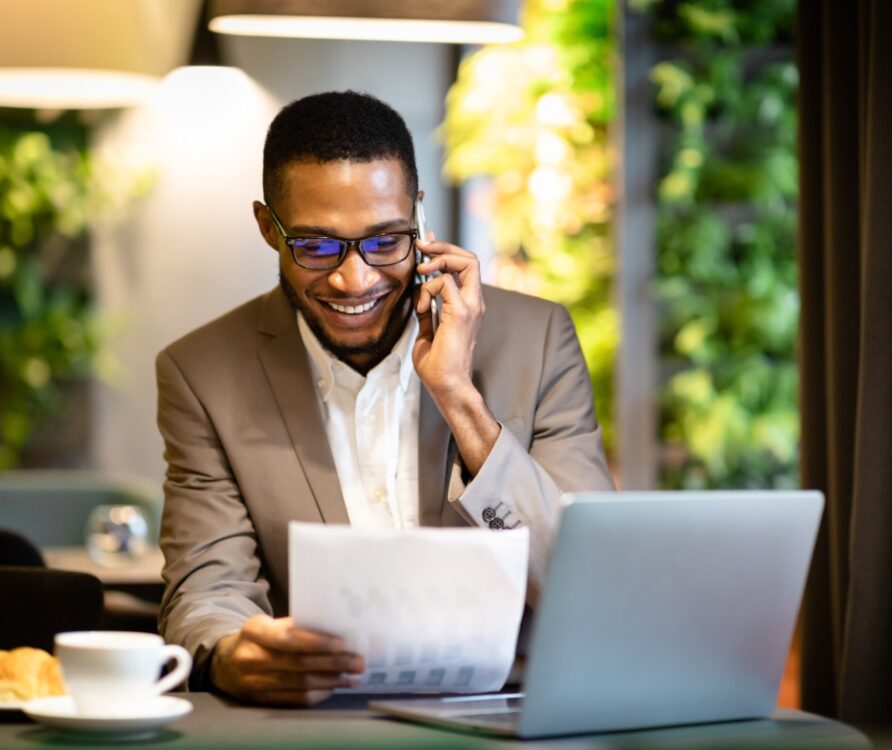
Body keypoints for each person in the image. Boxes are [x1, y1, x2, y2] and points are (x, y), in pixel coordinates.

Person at [156, 90, 614, 706]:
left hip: (512, 714)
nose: (355, 278)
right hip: (319, 723)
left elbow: (592, 588)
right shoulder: (201, 373)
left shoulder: (538, 342)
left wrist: (459, 398)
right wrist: (238, 653)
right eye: (316, 245)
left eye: (385, 241)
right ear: (269, 228)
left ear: (418, 219)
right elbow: (205, 593)